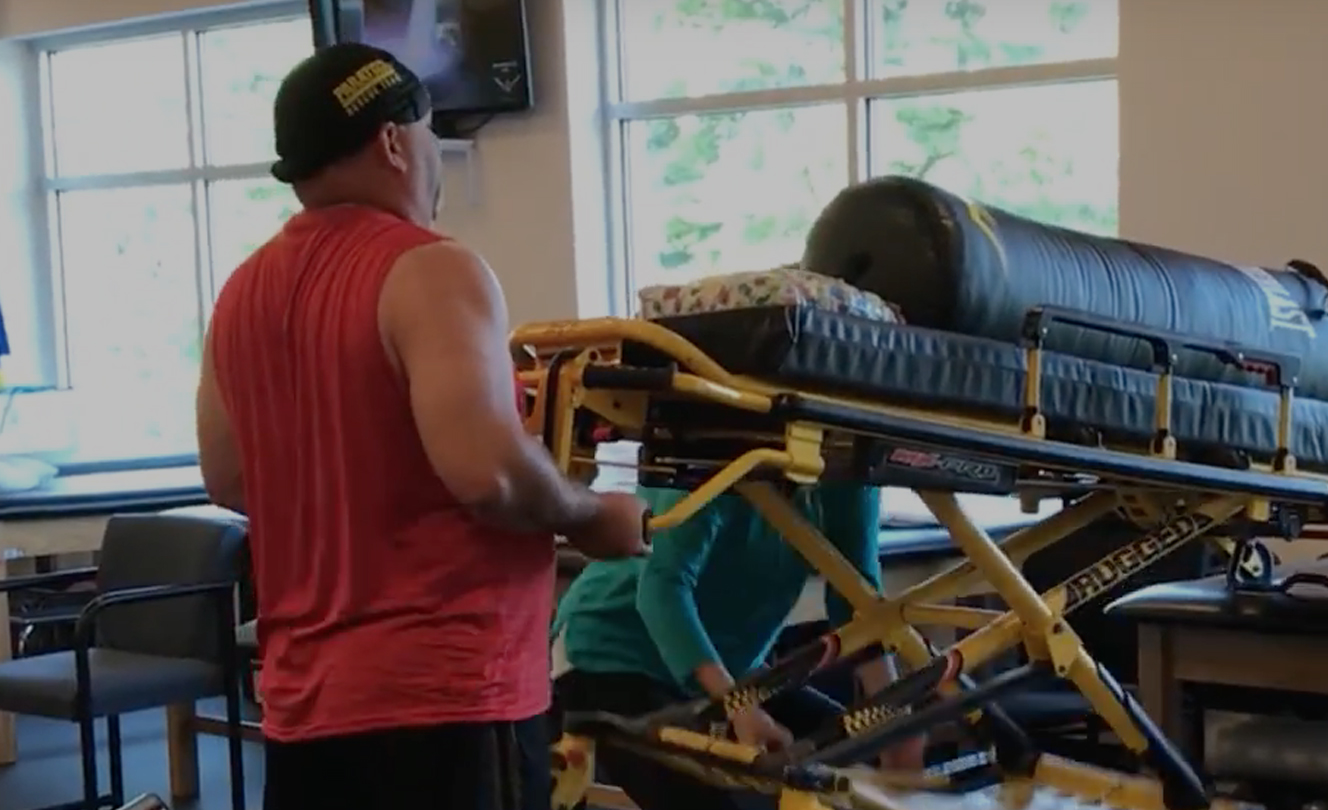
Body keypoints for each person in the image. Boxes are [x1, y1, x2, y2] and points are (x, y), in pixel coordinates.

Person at [195, 43, 648, 810]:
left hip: (306, 708)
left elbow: (231, 479)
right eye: (433, 134)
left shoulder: (241, 291)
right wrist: (594, 515)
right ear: (394, 139)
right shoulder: (432, 269)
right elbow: (492, 475)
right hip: (444, 697)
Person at [552, 483, 927, 810]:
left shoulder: (851, 465)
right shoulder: (710, 450)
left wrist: (893, 719)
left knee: (846, 763)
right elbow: (662, 590)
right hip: (610, 653)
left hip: (732, 670)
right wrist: (737, 705)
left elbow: (855, 595)